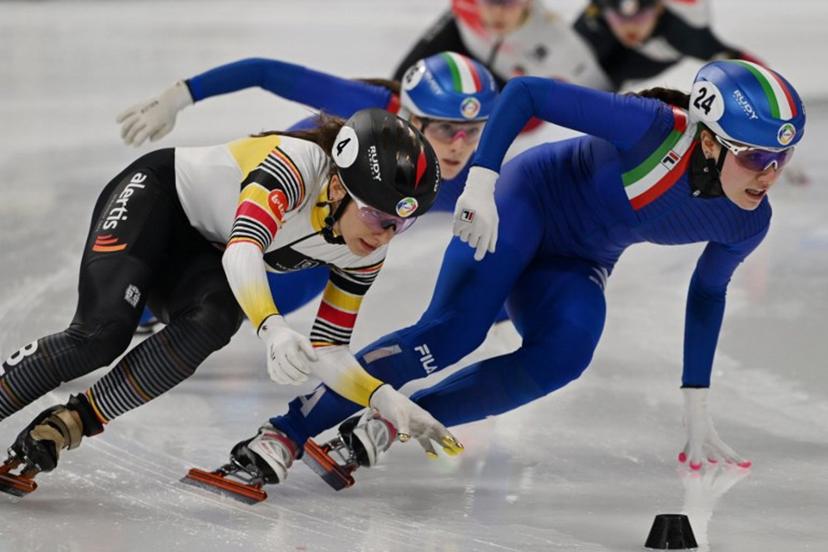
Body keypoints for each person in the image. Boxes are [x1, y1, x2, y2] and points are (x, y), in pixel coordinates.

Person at [261, 59, 805, 483]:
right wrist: (481, 181)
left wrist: (697, 401)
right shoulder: (652, 129)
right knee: (451, 334)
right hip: (520, 207)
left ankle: (387, 422)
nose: (770, 175)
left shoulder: (747, 223)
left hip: (579, 259)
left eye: (782, 159)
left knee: (563, 357)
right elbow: (526, 92)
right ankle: (286, 432)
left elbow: (708, 293)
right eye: (756, 158)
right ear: (709, 142)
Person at [0, 109, 461, 496]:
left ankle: (70, 422)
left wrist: (383, 398)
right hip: (156, 197)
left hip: (201, 252)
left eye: (400, 225)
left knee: (214, 321)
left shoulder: (367, 252)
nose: (383, 235)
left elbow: (329, 350)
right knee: (100, 336)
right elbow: (245, 248)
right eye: (378, 217)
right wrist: (273, 327)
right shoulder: (297, 165)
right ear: (338, 188)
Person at [116, 52, 501, 330]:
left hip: (313, 249)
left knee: (226, 309)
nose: (459, 146)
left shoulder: (470, 178)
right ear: (411, 116)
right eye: (446, 129)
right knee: (148, 296)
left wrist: (504, 311)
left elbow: (509, 233)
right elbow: (264, 71)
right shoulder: (368, 108)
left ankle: (149, 317)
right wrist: (179, 96)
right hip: (264, 196)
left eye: (473, 131)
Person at [392, 0, 610, 90]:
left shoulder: (558, 42)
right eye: (489, 0)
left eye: (508, 1)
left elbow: (601, 93)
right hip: (467, 48)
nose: (497, 13)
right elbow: (403, 75)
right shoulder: (465, 8)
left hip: (510, 85)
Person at [574, 0, 763, 90]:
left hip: (654, 55)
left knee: (598, 83)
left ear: (659, 8)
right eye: (618, 19)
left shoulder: (688, 33)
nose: (629, 29)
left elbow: (743, 63)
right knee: (570, 61)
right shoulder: (598, 13)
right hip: (603, 28)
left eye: (641, 18)